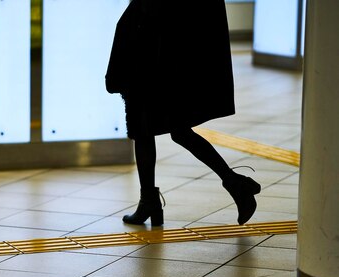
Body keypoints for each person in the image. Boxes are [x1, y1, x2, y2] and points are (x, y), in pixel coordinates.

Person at [106, 0, 260, 226]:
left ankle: (149, 201)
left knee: (144, 128)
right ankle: (234, 183)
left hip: (150, 47)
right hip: (169, 51)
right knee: (176, 129)